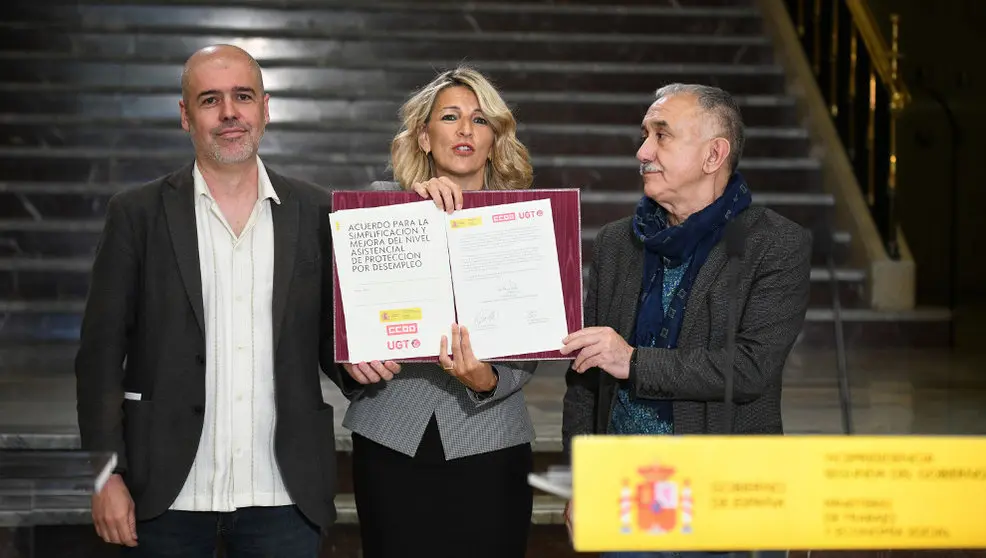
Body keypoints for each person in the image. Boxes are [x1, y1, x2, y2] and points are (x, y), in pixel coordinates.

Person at [75, 44, 350, 557]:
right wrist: (104, 474)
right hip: (167, 494)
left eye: (242, 96)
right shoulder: (136, 215)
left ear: (265, 108)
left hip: (284, 495)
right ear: (186, 115)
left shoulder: (318, 211)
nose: (229, 112)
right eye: (210, 100)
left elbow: (336, 347)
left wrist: (370, 356)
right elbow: (99, 358)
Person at [560, 83, 812, 558]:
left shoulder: (774, 244)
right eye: (644, 135)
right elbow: (585, 381)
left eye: (662, 135)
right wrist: (581, 479)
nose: (643, 152)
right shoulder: (617, 243)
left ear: (713, 155)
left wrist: (633, 361)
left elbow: (750, 369)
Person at [339, 66, 538, 558]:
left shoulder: (523, 218)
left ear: (494, 138)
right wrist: (413, 205)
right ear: (425, 137)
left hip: (491, 437)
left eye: (480, 119)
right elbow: (339, 315)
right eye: (450, 117)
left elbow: (535, 333)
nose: (466, 129)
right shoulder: (380, 205)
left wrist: (489, 380)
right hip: (391, 436)